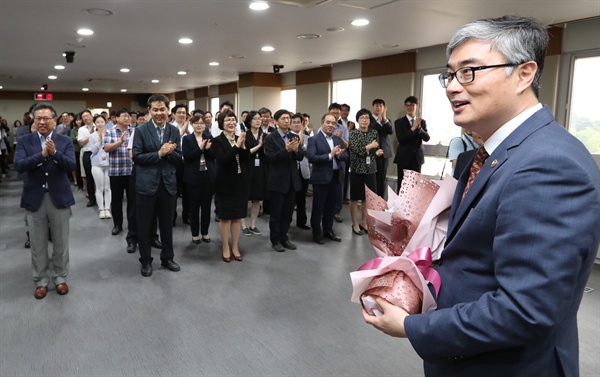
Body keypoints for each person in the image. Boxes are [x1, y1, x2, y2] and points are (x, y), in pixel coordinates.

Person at [362, 15, 600, 377]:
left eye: (469, 72)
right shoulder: (484, 155)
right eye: (450, 75)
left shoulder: (548, 164)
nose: (453, 87)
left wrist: (412, 327)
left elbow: (526, 310)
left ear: (523, 74)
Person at [14, 103, 76, 299]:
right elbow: (19, 165)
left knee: (61, 241)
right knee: (38, 242)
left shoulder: (64, 140)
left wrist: (55, 154)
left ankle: (59, 277)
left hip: (59, 197)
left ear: (54, 120)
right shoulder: (25, 140)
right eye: (38, 118)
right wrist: (41, 156)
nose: (41, 122)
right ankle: (40, 280)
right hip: (35, 197)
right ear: (33, 119)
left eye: (46, 118)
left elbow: (71, 165)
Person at [132, 94, 182, 277]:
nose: (159, 113)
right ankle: (145, 261)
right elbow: (136, 157)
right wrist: (159, 153)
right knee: (145, 225)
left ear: (168, 110)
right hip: (146, 184)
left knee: (167, 225)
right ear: (149, 111)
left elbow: (179, 158)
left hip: (168, 184)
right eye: (155, 110)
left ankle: (167, 258)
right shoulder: (141, 130)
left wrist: (170, 153)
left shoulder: (174, 131)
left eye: (162, 109)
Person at [264, 109, 305, 252]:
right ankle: (275, 240)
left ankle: (284, 237)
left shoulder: (294, 136)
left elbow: (300, 156)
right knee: (276, 213)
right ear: (276, 122)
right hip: (277, 181)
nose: (287, 121)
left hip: (292, 181)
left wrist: (295, 150)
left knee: (288, 213)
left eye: (288, 118)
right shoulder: (270, 138)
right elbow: (270, 158)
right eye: (283, 118)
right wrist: (286, 150)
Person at [211, 110, 249, 262]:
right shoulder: (217, 141)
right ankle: (225, 246)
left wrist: (243, 147)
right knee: (225, 217)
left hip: (240, 183)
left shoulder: (240, 138)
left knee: (237, 217)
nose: (231, 122)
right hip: (224, 184)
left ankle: (235, 246)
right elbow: (223, 160)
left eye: (233, 120)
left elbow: (246, 159)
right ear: (221, 123)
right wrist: (237, 147)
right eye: (227, 120)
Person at [306, 112, 348, 244]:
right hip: (321, 178)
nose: (330, 125)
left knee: (331, 207)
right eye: (328, 122)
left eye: (333, 123)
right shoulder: (314, 140)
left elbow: (346, 156)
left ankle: (328, 230)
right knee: (318, 207)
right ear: (322, 123)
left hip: (336, 178)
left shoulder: (337, 139)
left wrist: (340, 154)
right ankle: (316, 232)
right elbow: (312, 157)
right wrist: (330, 155)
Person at [103, 108, 135, 248]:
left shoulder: (134, 131)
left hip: (132, 171)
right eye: (124, 116)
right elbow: (106, 148)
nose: (127, 118)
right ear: (116, 118)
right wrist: (121, 141)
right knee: (116, 199)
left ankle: (133, 226)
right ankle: (117, 224)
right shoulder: (110, 131)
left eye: (129, 116)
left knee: (133, 201)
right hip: (116, 171)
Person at [348, 109, 382, 235]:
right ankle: (355, 223)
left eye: (366, 118)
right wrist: (370, 146)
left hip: (370, 169)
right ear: (357, 120)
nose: (364, 120)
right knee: (355, 197)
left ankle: (364, 222)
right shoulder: (353, 134)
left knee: (366, 198)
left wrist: (377, 152)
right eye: (361, 118)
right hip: (357, 169)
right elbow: (357, 150)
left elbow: (375, 149)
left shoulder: (374, 132)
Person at [182, 115, 215, 244]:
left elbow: (213, 156)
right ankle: (195, 234)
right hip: (193, 177)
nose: (199, 125)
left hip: (207, 176)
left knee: (207, 207)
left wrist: (207, 150)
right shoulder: (187, 139)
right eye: (196, 123)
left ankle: (205, 233)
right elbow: (188, 157)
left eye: (201, 123)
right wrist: (200, 148)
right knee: (194, 207)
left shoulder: (209, 138)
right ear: (192, 124)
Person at [393, 96, 430, 189]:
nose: (409, 107)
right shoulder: (399, 122)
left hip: (417, 158)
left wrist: (419, 128)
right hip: (403, 158)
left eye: (412, 105)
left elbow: (427, 138)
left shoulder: (422, 122)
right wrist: (413, 128)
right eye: (407, 105)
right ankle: (400, 204)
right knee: (403, 186)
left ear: (417, 106)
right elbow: (401, 139)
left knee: (415, 186)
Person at [240, 111, 266, 236]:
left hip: (260, 169)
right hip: (247, 168)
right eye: (255, 118)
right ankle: (244, 225)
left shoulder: (264, 135)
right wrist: (259, 145)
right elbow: (245, 153)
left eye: (259, 118)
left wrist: (264, 145)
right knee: (245, 198)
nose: (258, 121)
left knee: (257, 198)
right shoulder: (245, 135)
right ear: (249, 121)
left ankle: (253, 225)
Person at [290, 112, 311, 231]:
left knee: (302, 199)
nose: (296, 125)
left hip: (304, 170)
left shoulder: (307, 138)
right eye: (294, 122)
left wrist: (303, 147)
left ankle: (301, 222)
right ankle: (287, 222)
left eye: (298, 122)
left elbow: (310, 155)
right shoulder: (287, 137)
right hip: (291, 171)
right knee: (290, 198)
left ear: (302, 124)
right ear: (290, 124)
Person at [369, 99, 393, 198]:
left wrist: (384, 118)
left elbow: (390, 131)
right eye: (376, 105)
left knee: (381, 178)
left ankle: (380, 200)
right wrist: (378, 120)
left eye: (381, 106)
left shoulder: (387, 120)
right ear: (373, 107)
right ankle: (372, 200)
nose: (378, 108)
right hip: (372, 153)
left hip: (384, 153)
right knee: (372, 179)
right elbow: (373, 131)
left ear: (384, 108)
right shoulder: (368, 120)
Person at [89, 115, 111, 219]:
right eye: (98, 122)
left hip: (108, 164)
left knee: (107, 188)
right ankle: (101, 209)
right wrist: (99, 140)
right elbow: (93, 150)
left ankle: (107, 208)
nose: (100, 124)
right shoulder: (92, 136)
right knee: (99, 188)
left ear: (105, 122)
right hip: (97, 164)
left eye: (102, 122)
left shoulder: (110, 134)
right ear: (95, 124)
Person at [78, 110, 96, 207]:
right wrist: (91, 135)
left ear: (91, 117)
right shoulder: (81, 129)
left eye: (87, 116)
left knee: (101, 177)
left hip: (98, 153)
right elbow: (81, 142)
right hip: (87, 153)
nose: (86, 118)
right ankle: (91, 198)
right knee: (89, 177)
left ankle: (101, 196)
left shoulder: (98, 126)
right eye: (84, 117)